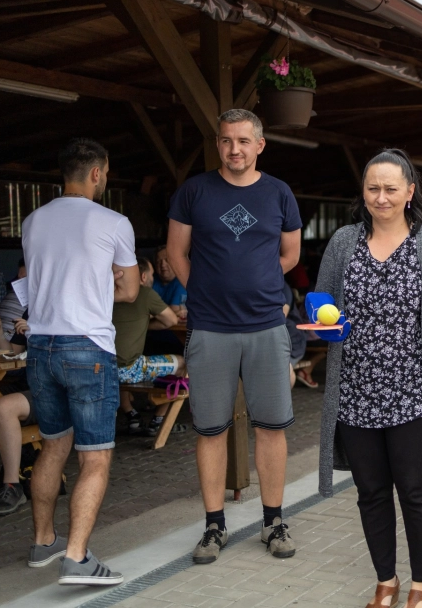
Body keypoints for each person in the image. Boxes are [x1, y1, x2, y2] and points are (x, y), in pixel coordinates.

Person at [315, 149, 422, 608]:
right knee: (371, 492)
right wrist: (322, 320)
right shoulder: (344, 242)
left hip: (414, 393)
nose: (381, 197)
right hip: (355, 393)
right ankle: (386, 578)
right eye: (372, 188)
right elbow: (321, 298)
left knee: (417, 491)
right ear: (363, 194)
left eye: (390, 188)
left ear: (409, 192)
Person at [167, 110, 302, 565]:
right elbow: (175, 251)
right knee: (210, 429)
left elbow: (290, 253)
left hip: (265, 325)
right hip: (210, 328)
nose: (235, 149)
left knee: (271, 428)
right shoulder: (195, 191)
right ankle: (213, 525)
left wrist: (258, 283)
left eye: (244, 141)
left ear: (260, 144)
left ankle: (273, 521)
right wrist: (203, 291)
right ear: (218, 145)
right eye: (226, 141)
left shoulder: (280, 192)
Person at [23, 137, 139, 585]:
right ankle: (77, 557)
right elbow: (129, 291)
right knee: (95, 458)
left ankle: (43, 542)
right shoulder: (113, 221)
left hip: (41, 347)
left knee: (53, 445)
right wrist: (104, 279)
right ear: (96, 172)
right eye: (105, 173)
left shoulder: (33, 221)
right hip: (87, 348)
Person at [113, 255, 184, 436]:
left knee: (123, 357)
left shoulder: (105, 293)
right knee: (183, 363)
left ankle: (131, 415)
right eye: (151, 274)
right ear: (143, 277)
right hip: (128, 369)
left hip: (102, 368)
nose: (154, 278)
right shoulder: (144, 293)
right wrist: (148, 323)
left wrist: (142, 324)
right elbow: (170, 319)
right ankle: (159, 421)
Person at [0, 309, 34, 516]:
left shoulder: (68, 305)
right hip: (23, 385)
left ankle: (12, 485)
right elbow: (13, 352)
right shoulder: (31, 309)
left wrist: (35, 332)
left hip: (52, 389)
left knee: (4, 407)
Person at [152, 245, 187, 316]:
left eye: (167, 260)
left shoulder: (182, 281)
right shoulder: (151, 279)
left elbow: (174, 310)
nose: (163, 265)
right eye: (159, 261)